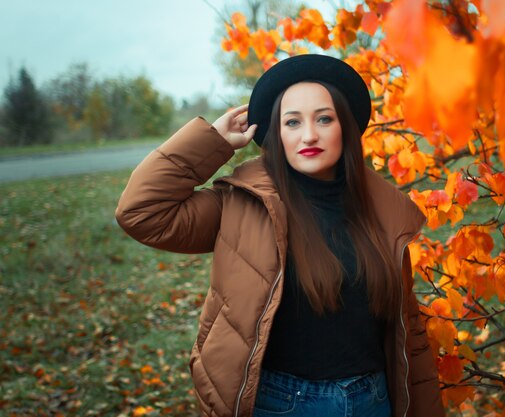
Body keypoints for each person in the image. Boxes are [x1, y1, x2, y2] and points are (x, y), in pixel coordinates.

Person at [116, 54, 444, 417]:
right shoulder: (242, 203)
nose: (309, 135)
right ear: (276, 133)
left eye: (324, 118)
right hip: (281, 404)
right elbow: (141, 213)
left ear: (344, 128)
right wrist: (213, 143)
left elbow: (408, 333)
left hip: (373, 400)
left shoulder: (384, 210)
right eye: (292, 122)